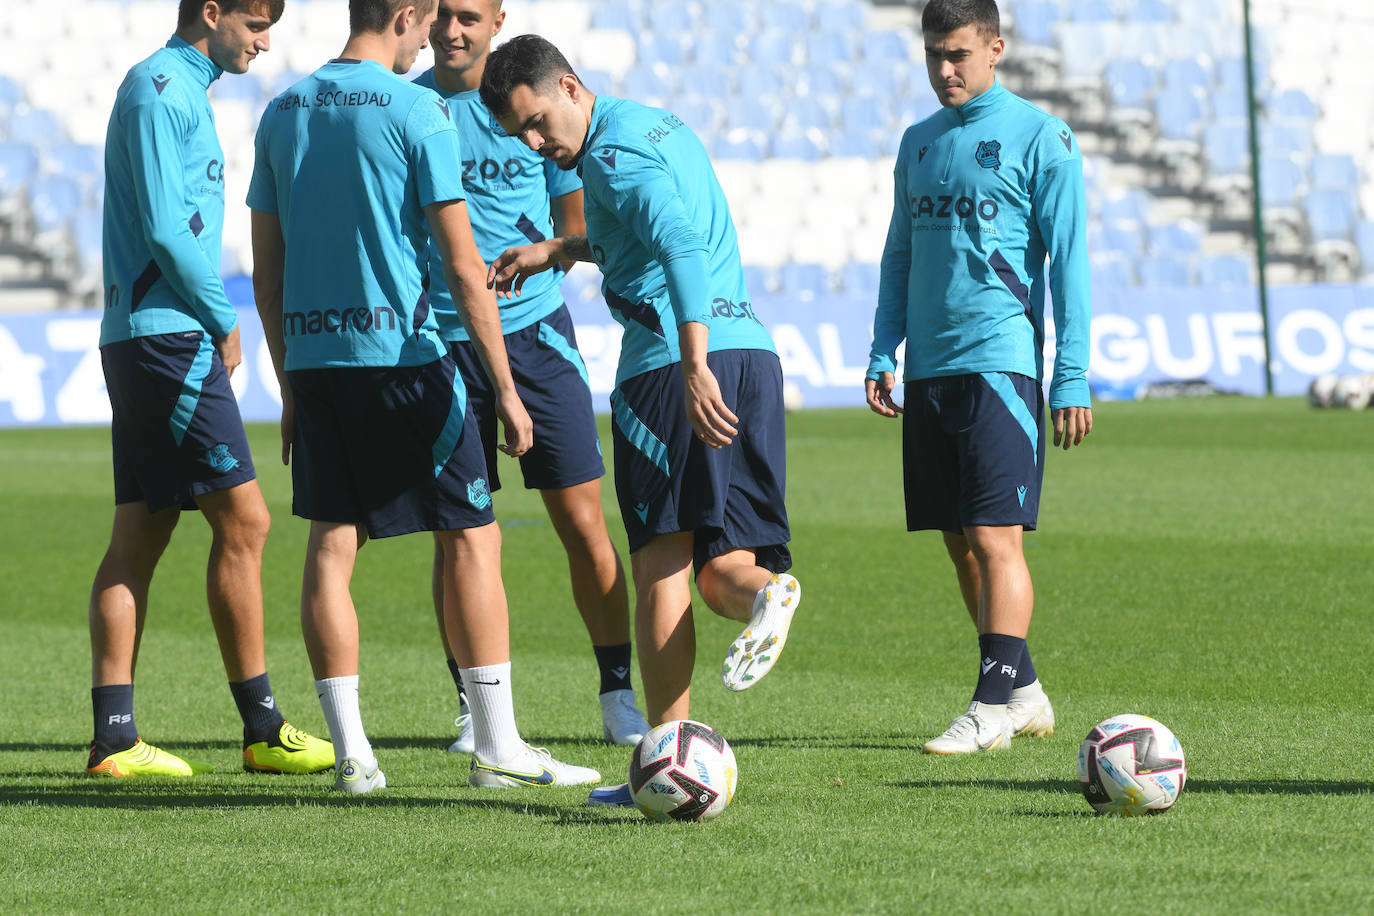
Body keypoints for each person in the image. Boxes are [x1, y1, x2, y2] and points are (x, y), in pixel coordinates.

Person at [248, 0, 600, 793]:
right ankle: (498, 746)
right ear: (405, 13)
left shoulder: (282, 111)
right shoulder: (419, 110)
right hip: (406, 357)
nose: (433, 35)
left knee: (332, 548)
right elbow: (460, 264)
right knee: (474, 535)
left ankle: (353, 758)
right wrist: (506, 390)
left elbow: (267, 270)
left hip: (316, 358)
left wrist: (287, 383)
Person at [479, 34, 801, 807]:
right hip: (751, 353)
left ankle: (662, 761)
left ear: (570, 85)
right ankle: (767, 594)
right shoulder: (655, 126)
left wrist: (690, 364)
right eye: (519, 134)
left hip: (671, 368)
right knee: (725, 566)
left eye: (536, 122)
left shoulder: (613, 155)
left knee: (661, 567)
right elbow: (642, 236)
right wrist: (557, 250)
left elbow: (679, 244)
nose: (533, 143)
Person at [89, 0, 334, 778]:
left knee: (142, 532)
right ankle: (263, 727)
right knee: (246, 521)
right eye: (256, 25)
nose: (265, 44)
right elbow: (166, 224)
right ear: (213, 11)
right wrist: (221, 316)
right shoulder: (162, 88)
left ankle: (115, 739)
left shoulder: (175, 89)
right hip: (167, 335)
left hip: (144, 335)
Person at [413, 0, 648, 755]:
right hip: (442, 345)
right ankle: (473, 710)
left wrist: (554, 252)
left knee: (583, 523)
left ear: (498, 17)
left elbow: (577, 228)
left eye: (470, 16)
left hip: (538, 337)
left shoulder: (531, 104)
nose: (454, 29)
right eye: (443, 14)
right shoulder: (407, 107)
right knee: (459, 539)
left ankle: (617, 694)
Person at [864, 0, 1092, 754]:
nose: (945, 69)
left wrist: (1071, 375)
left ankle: (990, 706)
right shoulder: (918, 142)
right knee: (959, 542)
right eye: (933, 54)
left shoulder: (1041, 138)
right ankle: (1022, 690)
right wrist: (881, 348)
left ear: (995, 48)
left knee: (996, 539)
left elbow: (1071, 267)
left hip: (1000, 365)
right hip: (931, 370)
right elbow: (900, 252)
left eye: (958, 53)